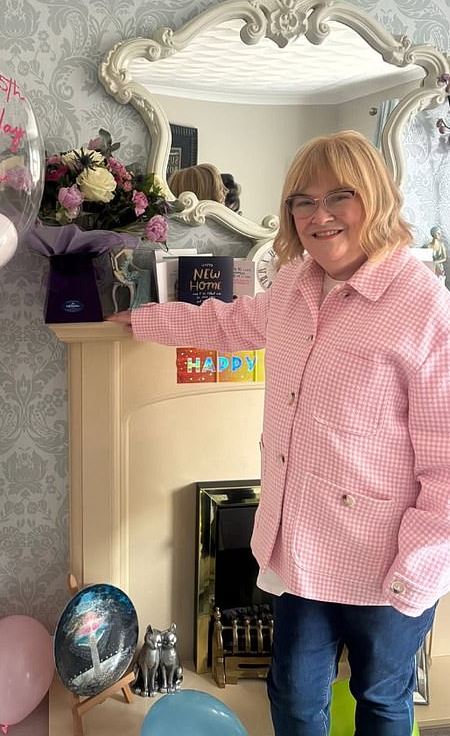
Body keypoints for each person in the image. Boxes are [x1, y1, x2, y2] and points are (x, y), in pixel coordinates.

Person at [109, 130, 450, 736]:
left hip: (387, 563)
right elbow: (228, 322)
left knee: (380, 702)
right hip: (300, 548)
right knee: (291, 696)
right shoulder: (293, 284)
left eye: (338, 196)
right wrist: (136, 319)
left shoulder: (424, 306)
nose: (319, 216)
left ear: (374, 198)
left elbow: (446, 465)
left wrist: (416, 574)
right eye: (302, 200)